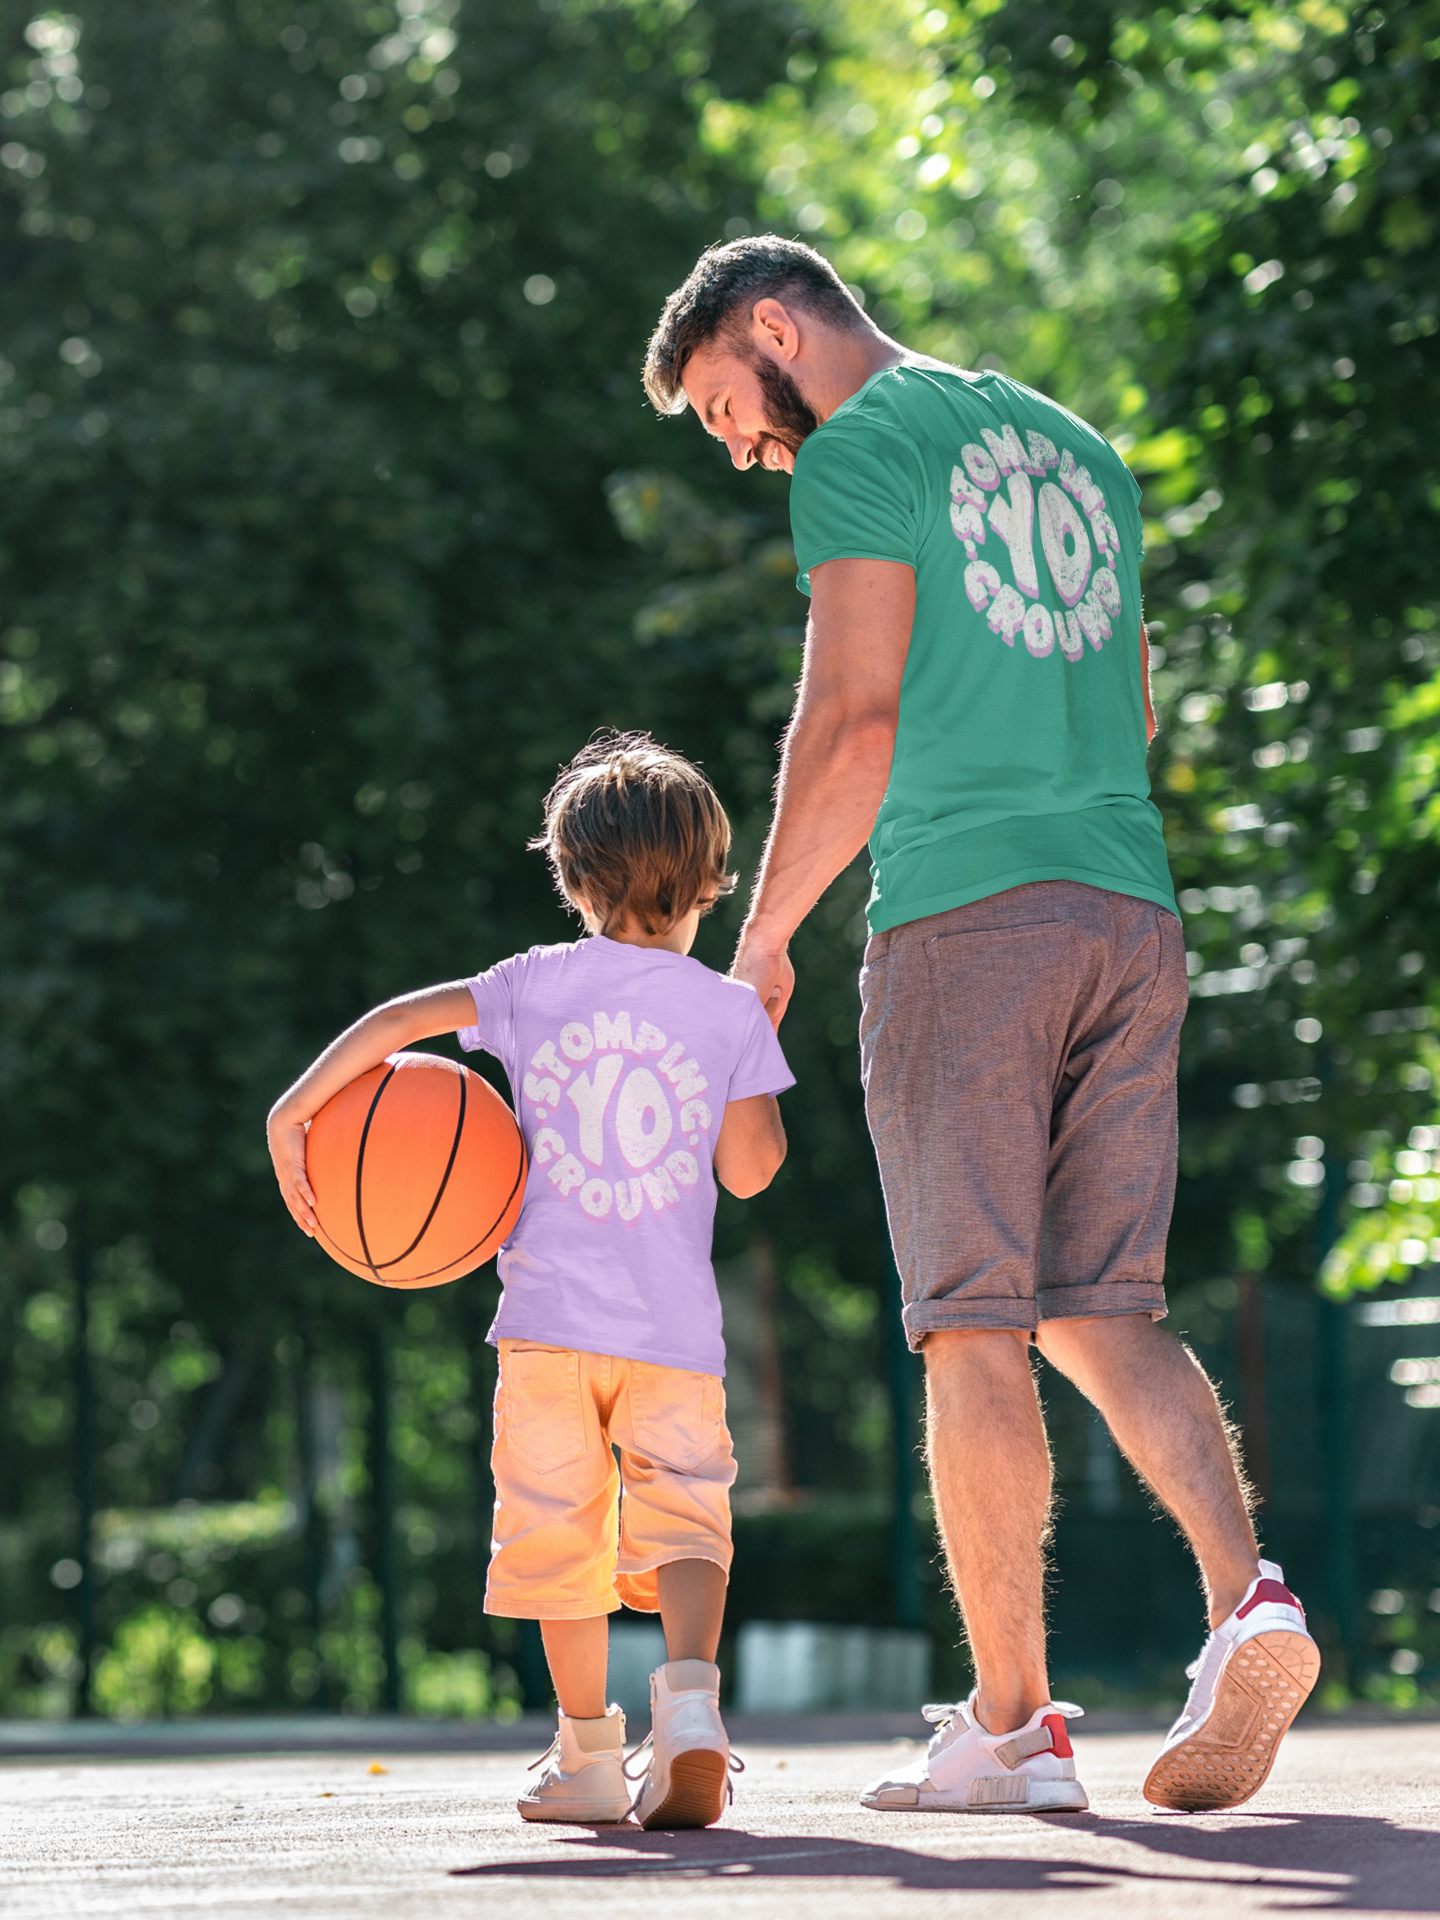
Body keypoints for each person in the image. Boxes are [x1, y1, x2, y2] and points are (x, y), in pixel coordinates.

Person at [642, 236, 1319, 1816]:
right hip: (1129, 908)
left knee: (970, 1319)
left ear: (770, 328)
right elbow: (1133, 701)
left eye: (730, 410)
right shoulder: (1074, 449)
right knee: (1105, 1310)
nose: (744, 447)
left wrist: (766, 937)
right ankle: (1249, 1601)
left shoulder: (862, 449)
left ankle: (1013, 1730)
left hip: (969, 917)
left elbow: (857, 712)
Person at [267, 732, 793, 1829]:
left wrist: (296, 1110)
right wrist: (751, 1045)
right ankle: (690, 1705)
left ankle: (588, 1755)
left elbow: (400, 1025)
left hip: (548, 1329)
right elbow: (750, 1176)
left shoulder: (528, 985)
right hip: (675, 1334)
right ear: (708, 880)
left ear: (572, 876)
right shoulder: (727, 1009)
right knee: (688, 1521)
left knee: (562, 1539)